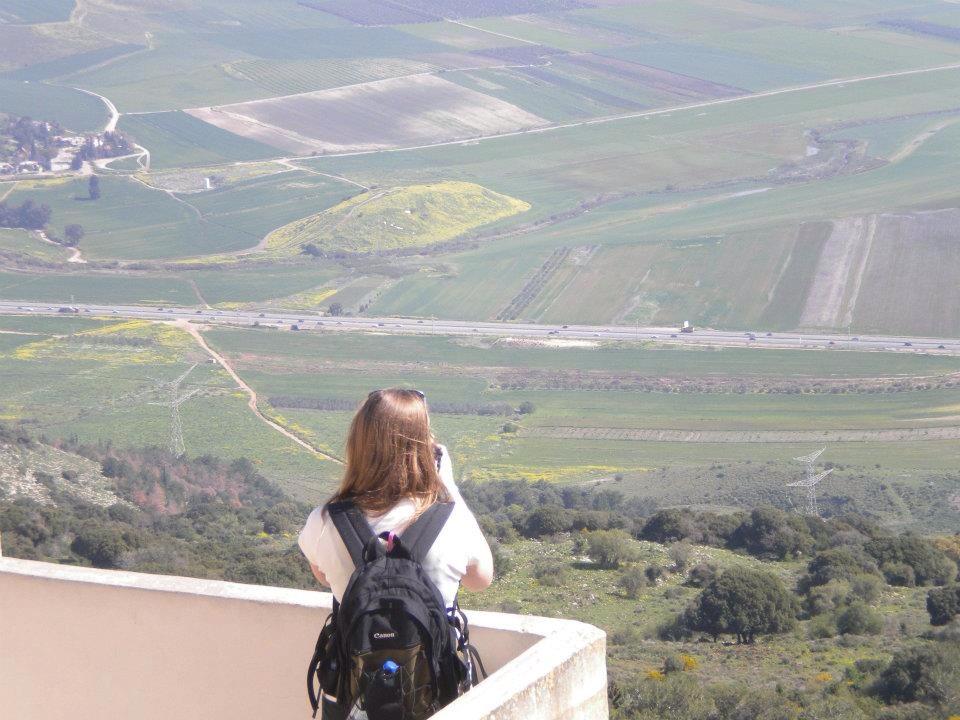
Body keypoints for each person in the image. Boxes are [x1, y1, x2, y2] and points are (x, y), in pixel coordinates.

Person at [298, 386, 494, 617]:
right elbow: (480, 581)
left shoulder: (324, 521)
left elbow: (323, 577)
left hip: (360, 652)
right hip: (430, 654)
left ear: (358, 446)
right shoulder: (454, 520)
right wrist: (448, 487)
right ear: (426, 451)